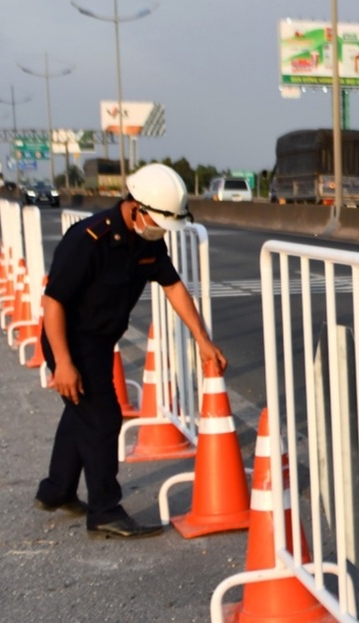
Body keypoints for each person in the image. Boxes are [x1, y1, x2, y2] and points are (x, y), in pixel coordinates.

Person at [34, 163, 227, 539]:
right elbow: (53, 302)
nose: (159, 232)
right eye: (156, 222)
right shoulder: (89, 239)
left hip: (100, 341)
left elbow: (173, 287)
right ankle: (105, 510)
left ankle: (56, 490)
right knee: (103, 418)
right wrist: (64, 364)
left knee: (81, 413)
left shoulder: (149, 240)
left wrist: (202, 340)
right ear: (136, 208)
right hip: (70, 341)